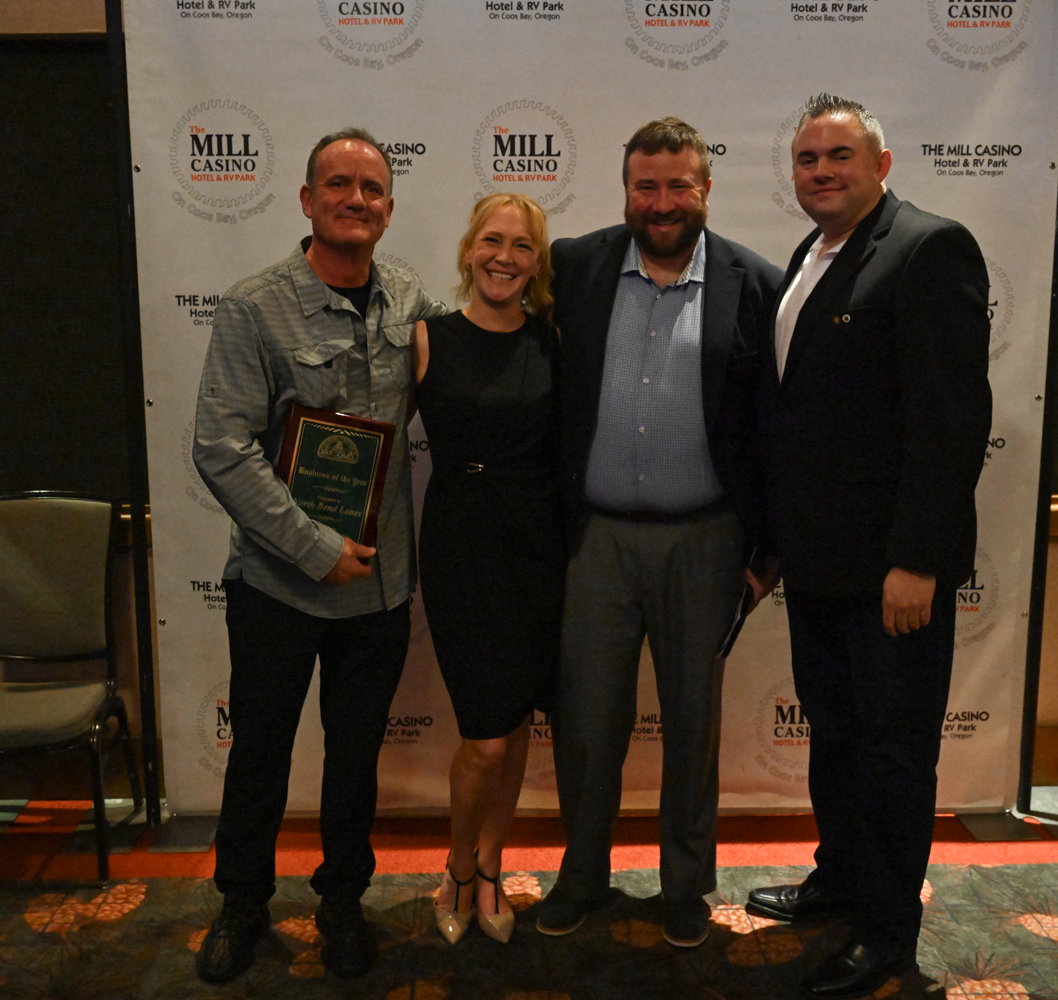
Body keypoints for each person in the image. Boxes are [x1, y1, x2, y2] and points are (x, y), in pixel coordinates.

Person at [745, 93, 992, 998]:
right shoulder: (810, 256)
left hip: (893, 575)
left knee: (892, 757)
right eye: (807, 159)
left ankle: (887, 931)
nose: (821, 172)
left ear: (881, 165)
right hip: (819, 569)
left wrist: (918, 561)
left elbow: (951, 422)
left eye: (839, 156)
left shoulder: (929, 250)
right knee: (839, 740)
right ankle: (842, 884)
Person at [190, 127, 447, 984]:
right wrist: (313, 547)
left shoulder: (409, 298)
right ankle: (242, 903)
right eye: (337, 185)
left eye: (371, 189)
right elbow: (220, 446)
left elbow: (470, 369)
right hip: (277, 587)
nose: (355, 200)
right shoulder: (252, 307)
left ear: (388, 208)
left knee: (355, 762)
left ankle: (342, 903)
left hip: (376, 593)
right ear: (306, 200)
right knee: (260, 755)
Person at [535, 117, 783, 948]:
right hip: (596, 540)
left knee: (692, 724)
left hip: (705, 541)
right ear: (626, 190)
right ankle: (581, 876)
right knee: (586, 722)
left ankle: (685, 886)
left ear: (706, 190)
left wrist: (768, 554)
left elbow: (775, 430)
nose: (663, 201)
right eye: (647, 185)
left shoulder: (755, 282)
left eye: (680, 185)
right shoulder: (575, 266)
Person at [412, 193, 564, 946]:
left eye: (522, 246)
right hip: (460, 548)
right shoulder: (426, 338)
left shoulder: (552, 341)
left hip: (537, 548)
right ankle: (457, 866)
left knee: (519, 718)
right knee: (486, 739)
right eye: (493, 241)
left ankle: (493, 862)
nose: (505, 257)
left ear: (537, 264)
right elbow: (368, 433)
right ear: (469, 249)